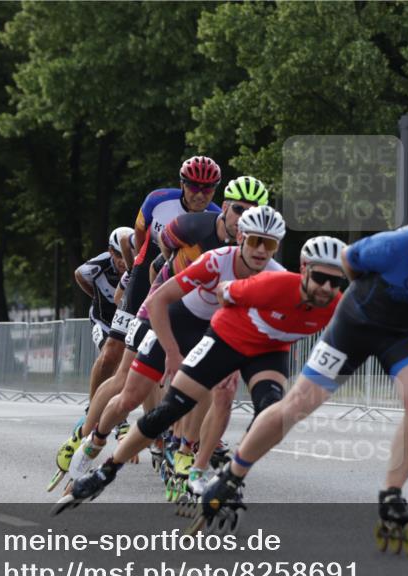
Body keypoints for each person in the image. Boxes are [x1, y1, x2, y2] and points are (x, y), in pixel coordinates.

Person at [199, 189, 408, 556]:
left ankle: (392, 493)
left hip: (402, 334)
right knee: (298, 405)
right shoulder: (388, 248)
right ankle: (233, 473)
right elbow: (348, 262)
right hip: (354, 326)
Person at [53, 236, 348, 514]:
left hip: (270, 348)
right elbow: (223, 294)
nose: (326, 287)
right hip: (227, 336)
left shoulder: (338, 305)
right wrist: (195, 356)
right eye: (320, 278)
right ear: (304, 270)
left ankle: (229, 476)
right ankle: (107, 468)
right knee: (167, 409)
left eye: (335, 282)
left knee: (272, 413)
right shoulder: (272, 282)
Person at [55, 206, 288, 496]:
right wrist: (172, 352)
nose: (260, 251)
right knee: (130, 393)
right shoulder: (213, 257)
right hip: (170, 316)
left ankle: (188, 457)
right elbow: (158, 294)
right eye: (255, 241)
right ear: (240, 236)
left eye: (270, 244)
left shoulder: (278, 277)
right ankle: (94, 440)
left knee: (220, 390)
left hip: (213, 328)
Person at [47, 157, 222, 492]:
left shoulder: (215, 218)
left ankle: (174, 441)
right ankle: (84, 432)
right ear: (182, 184)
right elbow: (141, 242)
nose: (200, 194)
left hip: (182, 286)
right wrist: (132, 277)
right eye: (194, 186)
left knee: (184, 374)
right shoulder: (157, 200)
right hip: (147, 277)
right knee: (115, 359)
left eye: (207, 188)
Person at [74, 227, 132, 397]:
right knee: (108, 357)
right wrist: (95, 295)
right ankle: (93, 407)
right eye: (118, 255)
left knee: (123, 364)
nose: (123, 261)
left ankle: (113, 409)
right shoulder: (100, 265)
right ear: (110, 252)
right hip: (103, 319)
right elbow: (79, 274)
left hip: (125, 322)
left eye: (126, 255)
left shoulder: (139, 264)